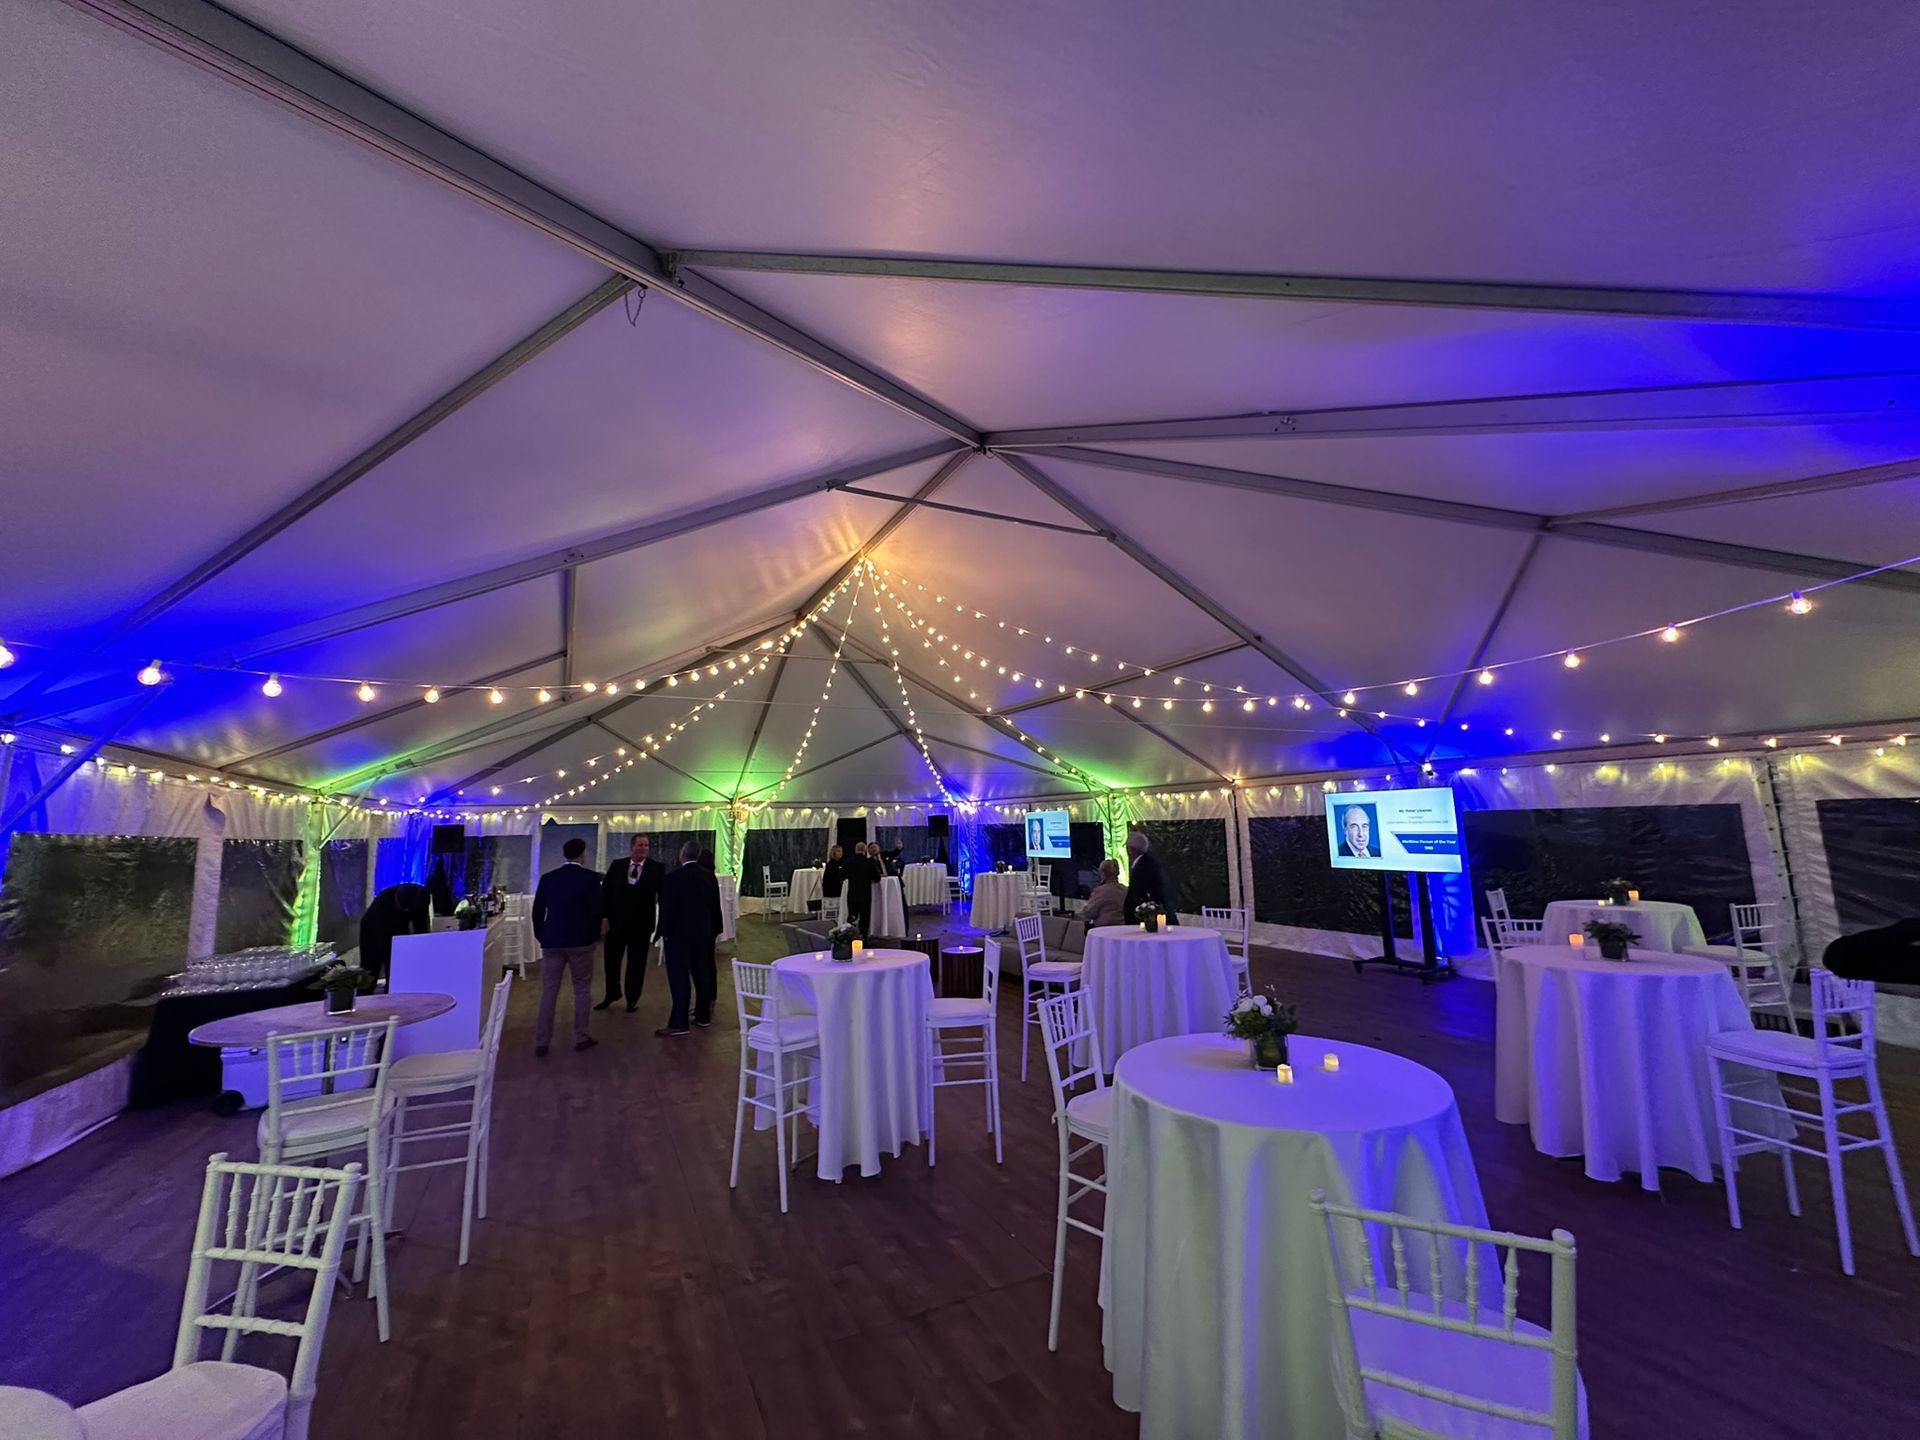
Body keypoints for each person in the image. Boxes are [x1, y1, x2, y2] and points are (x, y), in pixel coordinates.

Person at [531, 837, 603, 1056]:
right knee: (582, 989)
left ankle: (542, 1041)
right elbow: (596, 911)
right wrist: (592, 936)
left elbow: (537, 911)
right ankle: (581, 1036)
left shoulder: (548, 878)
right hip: (581, 941)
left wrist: (542, 935)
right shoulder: (590, 879)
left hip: (553, 940)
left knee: (549, 991)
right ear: (582, 854)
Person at [656, 840, 724, 1036]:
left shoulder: (673, 878)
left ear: (682, 855)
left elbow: (667, 909)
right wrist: (715, 929)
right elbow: (714, 906)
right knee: (702, 973)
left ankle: (679, 1022)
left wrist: (662, 932)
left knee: (679, 977)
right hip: (703, 933)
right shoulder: (708, 877)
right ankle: (703, 1016)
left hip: (678, 935)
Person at [598, 833, 663, 1012]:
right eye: (640, 845)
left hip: (641, 925)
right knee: (611, 960)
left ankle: (632, 998)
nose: (644, 848)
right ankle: (612, 993)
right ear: (632, 847)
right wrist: (604, 917)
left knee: (637, 963)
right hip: (616, 923)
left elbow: (663, 895)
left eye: (646, 845)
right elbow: (605, 892)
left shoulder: (656, 868)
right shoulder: (617, 865)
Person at [357, 881, 430, 984]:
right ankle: (365, 995)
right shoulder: (383, 903)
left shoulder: (423, 895)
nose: (406, 911)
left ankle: (394, 991)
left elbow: (421, 923)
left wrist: (423, 944)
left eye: (409, 910)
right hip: (372, 929)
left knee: (396, 968)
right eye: (403, 909)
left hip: (399, 927)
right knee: (371, 966)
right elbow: (381, 939)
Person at [1123, 831, 1175, 924]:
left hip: (1150, 922)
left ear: (1130, 850)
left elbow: (1139, 895)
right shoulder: (1151, 863)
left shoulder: (1142, 868)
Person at [843, 841, 881, 934]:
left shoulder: (848, 861)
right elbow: (876, 878)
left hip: (852, 893)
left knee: (852, 916)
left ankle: (850, 936)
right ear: (865, 850)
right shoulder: (869, 862)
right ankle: (863, 938)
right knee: (864, 917)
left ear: (855, 850)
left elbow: (842, 875)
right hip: (865, 894)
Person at [1080, 859, 1127, 927]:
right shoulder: (1125, 890)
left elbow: (1090, 913)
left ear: (1103, 874)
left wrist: (1085, 907)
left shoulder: (1099, 891)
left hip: (1102, 930)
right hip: (1123, 930)